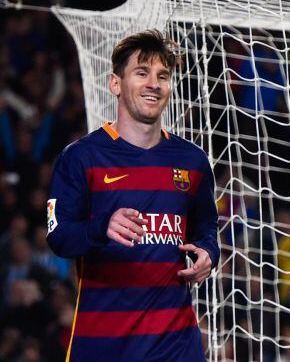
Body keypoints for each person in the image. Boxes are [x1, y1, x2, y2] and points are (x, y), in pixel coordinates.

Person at [46, 30, 220, 361]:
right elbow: (59, 237)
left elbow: (205, 225)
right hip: (104, 345)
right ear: (115, 84)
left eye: (163, 76)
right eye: (142, 73)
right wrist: (101, 227)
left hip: (176, 344)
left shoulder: (192, 160)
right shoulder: (81, 158)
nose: (154, 83)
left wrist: (208, 253)